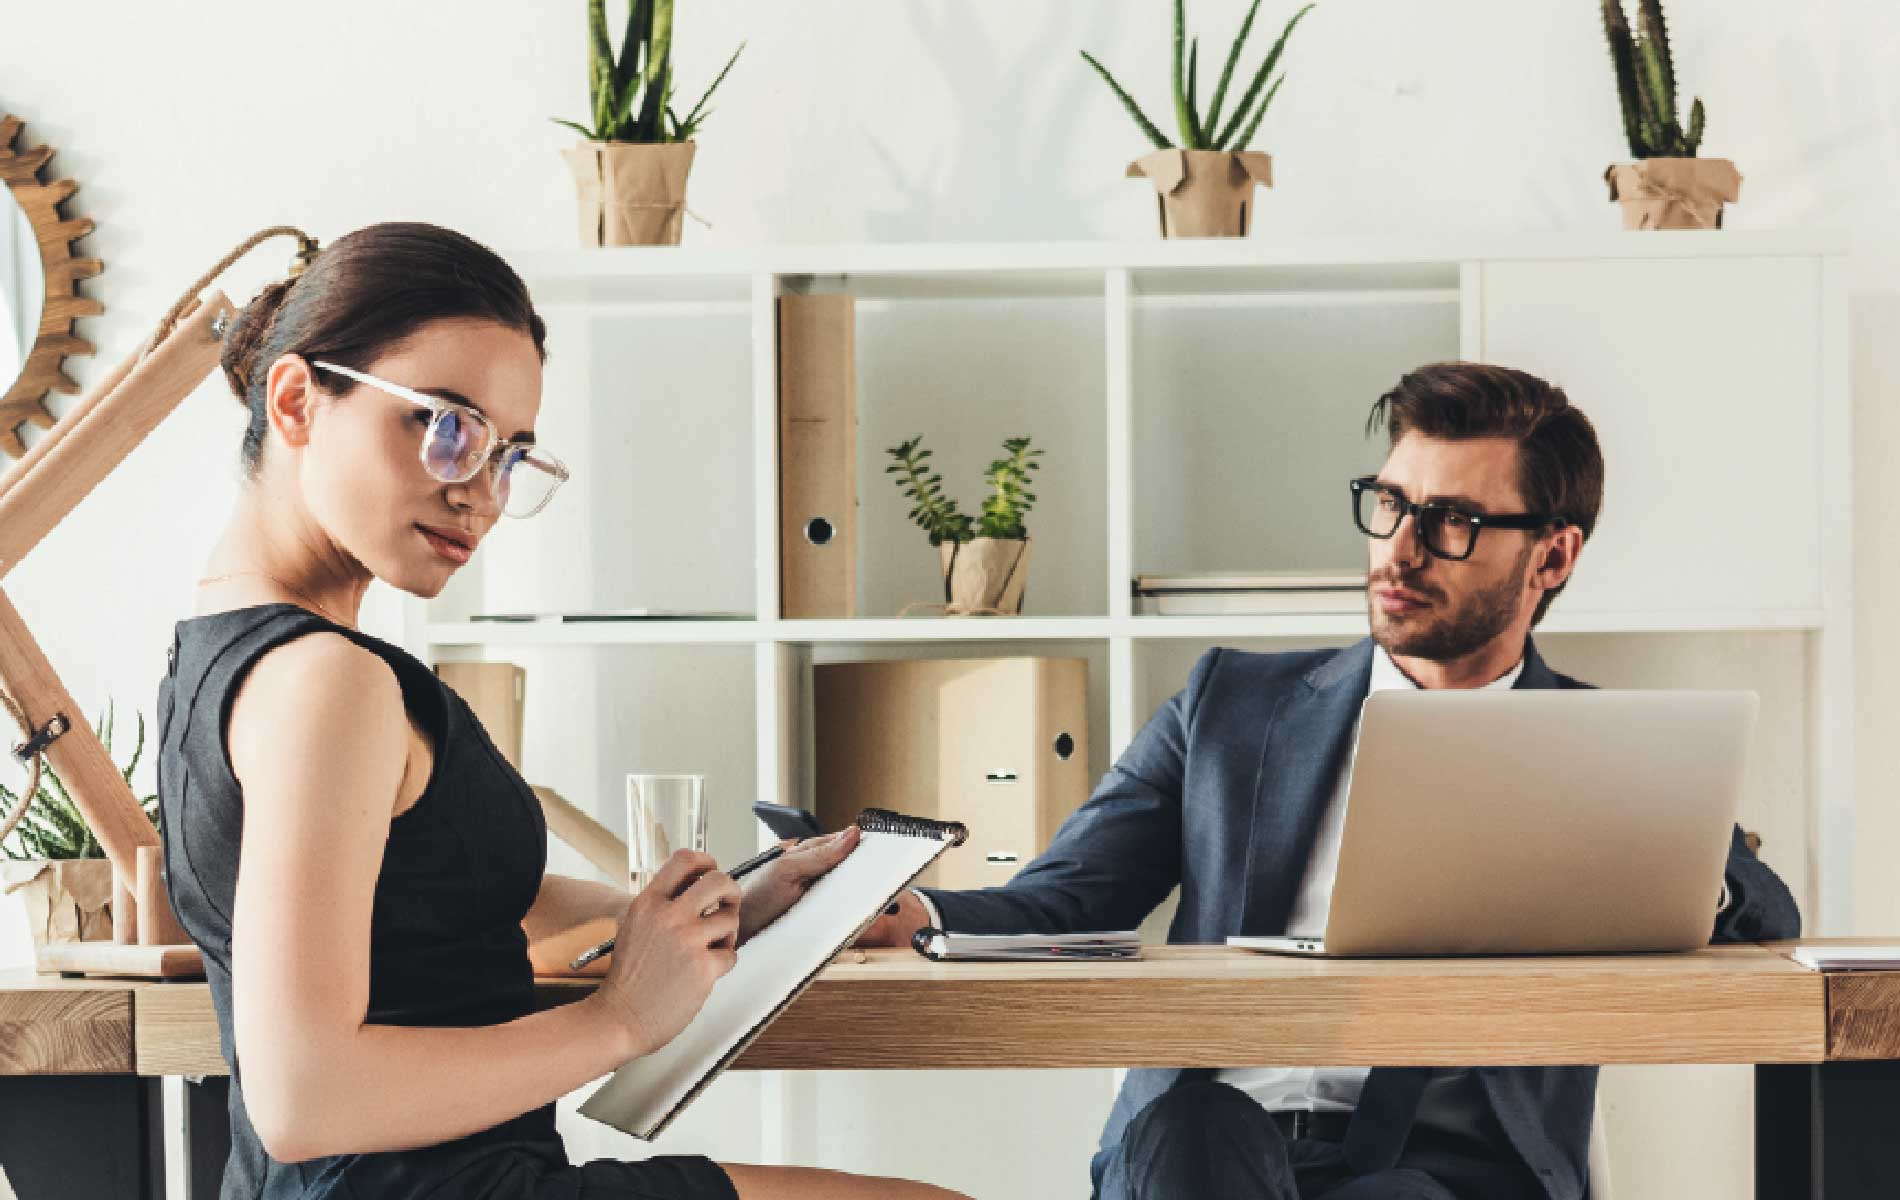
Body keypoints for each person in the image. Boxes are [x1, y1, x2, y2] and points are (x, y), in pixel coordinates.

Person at [156, 221, 968, 1200]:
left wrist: (729, 912)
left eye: (510, 457)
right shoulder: (324, 682)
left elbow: (427, 906)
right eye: (445, 425)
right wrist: (620, 1018)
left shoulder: (223, 656)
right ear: (296, 400)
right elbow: (305, 1099)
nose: (478, 497)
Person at [858, 361, 1800, 1200]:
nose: (1401, 548)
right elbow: (1066, 898)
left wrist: (1658, 858)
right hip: (1212, 1147)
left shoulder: (1603, 749)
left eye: (1455, 522)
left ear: (1552, 555)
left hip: (1452, 1164)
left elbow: (1766, 913)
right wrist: (922, 917)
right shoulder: (1229, 703)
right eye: (1389, 503)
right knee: (1192, 1135)